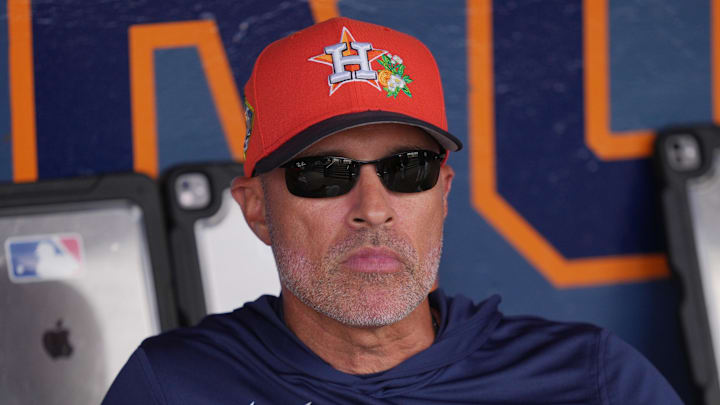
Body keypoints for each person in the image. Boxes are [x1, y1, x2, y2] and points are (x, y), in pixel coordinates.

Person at [103, 17, 683, 404]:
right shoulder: (174, 388)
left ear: (444, 192)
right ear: (257, 210)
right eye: (324, 174)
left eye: (409, 169)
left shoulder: (592, 380)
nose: (373, 210)